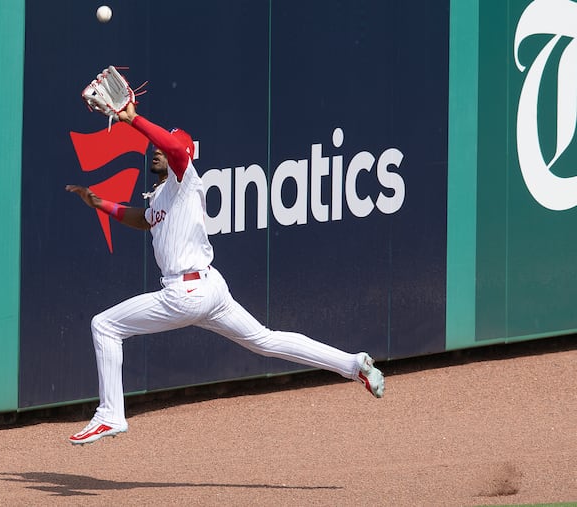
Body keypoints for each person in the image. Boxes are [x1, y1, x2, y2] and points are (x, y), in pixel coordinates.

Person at [65, 102, 385, 445]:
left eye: (161, 146)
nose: (155, 150)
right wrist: (101, 204)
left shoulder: (184, 179)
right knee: (265, 339)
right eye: (154, 147)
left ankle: (111, 414)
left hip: (185, 293)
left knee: (105, 326)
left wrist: (132, 119)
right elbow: (143, 219)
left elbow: (175, 147)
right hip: (209, 289)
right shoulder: (163, 195)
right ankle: (354, 365)